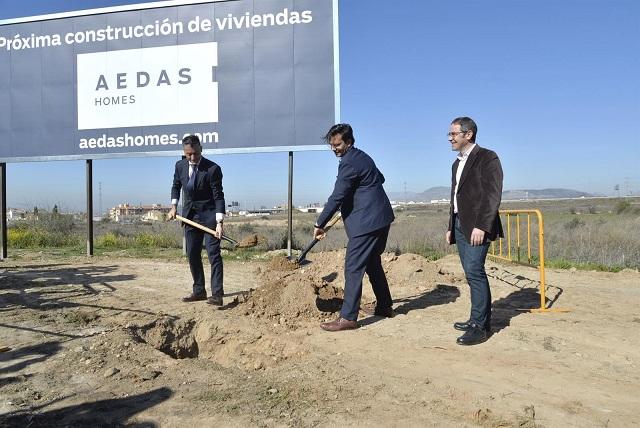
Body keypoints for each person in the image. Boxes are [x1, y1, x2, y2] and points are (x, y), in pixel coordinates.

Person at [314, 123, 395, 332]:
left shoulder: (349, 163)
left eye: (338, 144)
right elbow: (380, 178)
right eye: (332, 145)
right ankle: (385, 306)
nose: (334, 148)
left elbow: (337, 195)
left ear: (349, 142)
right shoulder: (362, 157)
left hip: (366, 223)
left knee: (353, 267)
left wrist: (319, 223)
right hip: (381, 219)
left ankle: (348, 318)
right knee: (372, 263)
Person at [446, 117, 503, 345]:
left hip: (477, 226)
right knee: (470, 274)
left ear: (468, 134)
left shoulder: (487, 157)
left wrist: (482, 225)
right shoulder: (456, 163)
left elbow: (492, 195)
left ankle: (480, 327)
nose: (450, 138)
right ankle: (476, 319)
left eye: (453, 134)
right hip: (459, 225)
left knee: (475, 271)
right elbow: (455, 198)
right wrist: (450, 226)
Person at [168, 135, 226, 306]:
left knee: (214, 255)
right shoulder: (180, 166)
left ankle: (217, 294)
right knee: (192, 254)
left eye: (194, 153)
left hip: (209, 218)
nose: (192, 158)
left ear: (201, 148)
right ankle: (199, 290)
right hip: (190, 217)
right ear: (184, 152)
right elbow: (176, 185)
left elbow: (218, 197)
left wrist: (219, 223)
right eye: (188, 155)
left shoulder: (213, 169)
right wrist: (173, 207)